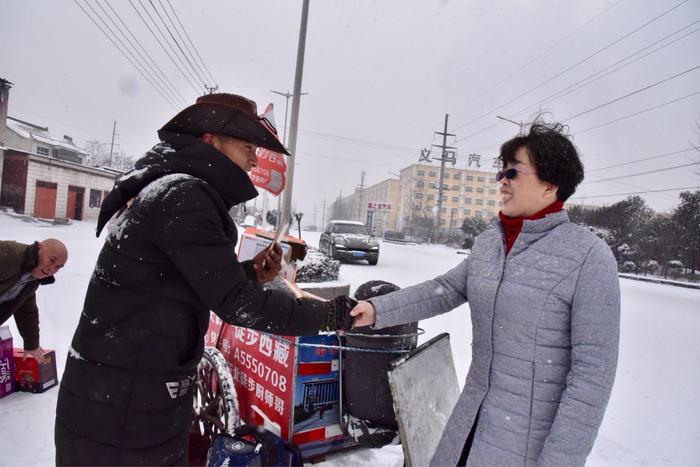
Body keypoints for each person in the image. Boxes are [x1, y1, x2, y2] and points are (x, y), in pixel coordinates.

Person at [54, 93, 356, 466]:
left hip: (124, 390)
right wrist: (330, 315)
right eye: (247, 146)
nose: (254, 159)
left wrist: (250, 274)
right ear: (209, 141)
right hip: (123, 406)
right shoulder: (183, 196)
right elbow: (236, 303)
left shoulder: (172, 188)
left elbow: (176, 282)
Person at [351, 120, 621, 466]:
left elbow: (592, 377)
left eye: (513, 172)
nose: (502, 181)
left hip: (527, 446)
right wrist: (374, 310)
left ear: (551, 184)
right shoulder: (490, 242)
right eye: (501, 172)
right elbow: (444, 289)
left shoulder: (587, 257)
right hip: (468, 427)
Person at [0, 238, 67, 363]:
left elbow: (27, 311)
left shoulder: (30, 279)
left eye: (58, 267)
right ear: (39, 247)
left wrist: (32, 344)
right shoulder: (8, 254)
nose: (51, 269)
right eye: (52, 260)